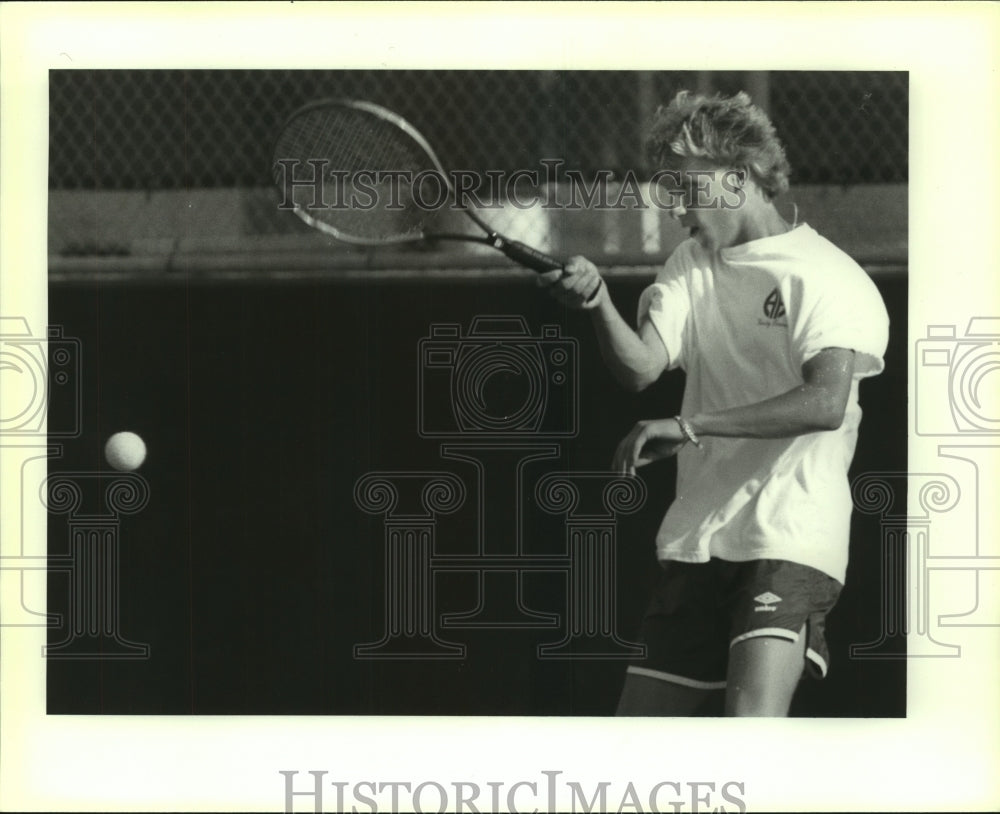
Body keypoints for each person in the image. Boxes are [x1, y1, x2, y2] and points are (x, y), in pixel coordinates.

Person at [539, 90, 890, 717]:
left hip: (789, 539)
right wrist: (597, 304)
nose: (674, 209)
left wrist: (691, 424)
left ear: (739, 177)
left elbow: (824, 402)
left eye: (684, 188)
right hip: (698, 541)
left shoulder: (827, 276)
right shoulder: (688, 263)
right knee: (634, 748)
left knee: (748, 735)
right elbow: (643, 367)